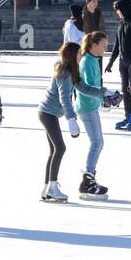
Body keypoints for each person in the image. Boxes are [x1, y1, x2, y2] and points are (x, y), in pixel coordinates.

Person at [37, 41, 107, 203]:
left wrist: (104, 92)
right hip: (48, 114)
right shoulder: (64, 72)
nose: (81, 56)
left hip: (49, 114)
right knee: (60, 148)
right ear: (72, 55)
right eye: (79, 54)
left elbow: (84, 88)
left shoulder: (71, 71)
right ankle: (52, 187)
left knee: (55, 149)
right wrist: (71, 118)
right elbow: (64, 98)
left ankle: (48, 187)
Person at [76, 32, 121, 200]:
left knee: (98, 142)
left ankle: (89, 177)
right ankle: (88, 180)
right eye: (103, 45)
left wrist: (104, 99)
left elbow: (95, 85)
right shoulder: (88, 61)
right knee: (97, 143)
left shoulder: (94, 60)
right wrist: (105, 94)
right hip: (86, 107)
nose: (106, 48)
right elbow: (85, 87)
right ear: (93, 45)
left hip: (92, 105)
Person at [107, 0, 131, 131]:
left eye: (118, 10)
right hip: (123, 62)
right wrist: (111, 61)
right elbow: (117, 45)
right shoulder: (122, 24)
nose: (118, 13)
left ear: (125, 10)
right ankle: (128, 116)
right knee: (125, 90)